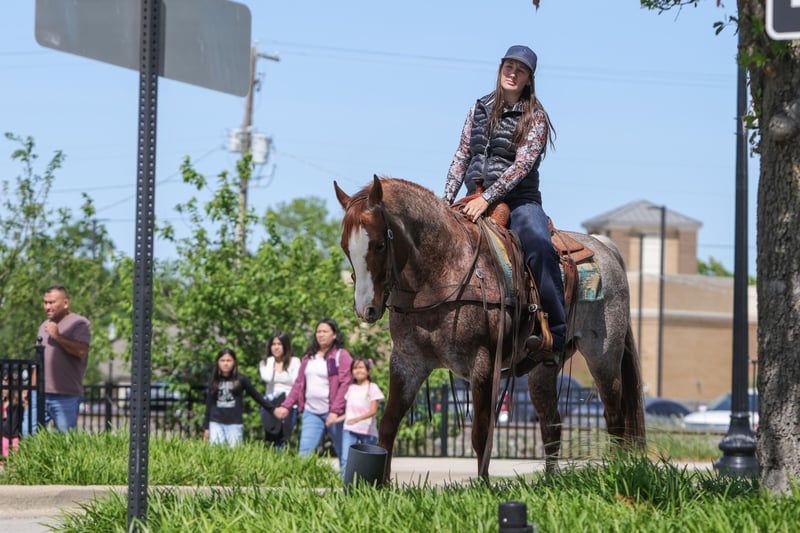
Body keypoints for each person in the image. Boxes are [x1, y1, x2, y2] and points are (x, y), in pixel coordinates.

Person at [443, 44, 566, 367]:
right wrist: (445, 202)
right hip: (473, 196)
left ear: (529, 79)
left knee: (539, 244)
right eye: (508, 66)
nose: (512, 73)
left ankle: (556, 334)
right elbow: (462, 155)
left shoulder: (536, 117)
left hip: (519, 200)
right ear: (500, 69)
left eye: (520, 70)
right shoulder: (478, 108)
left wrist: (488, 198)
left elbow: (521, 167)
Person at [274, 318, 352, 468]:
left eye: (325, 331)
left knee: (344, 454)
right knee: (305, 454)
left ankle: (348, 483)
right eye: (318, 331)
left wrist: (335, 411)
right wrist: (286, 406)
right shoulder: (309, 357)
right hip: (311, 412)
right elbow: (298, 384)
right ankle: (302, 482)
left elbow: (346, 384)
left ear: (334, 335)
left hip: (335, 414)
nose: (321, 334)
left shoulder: (341, 355)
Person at [37, 285, 91, 432]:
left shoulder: (79, 323)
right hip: (40, 394)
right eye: (45, 302)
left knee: (64, 438)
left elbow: (81, 351)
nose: (47, 307)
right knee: (28, 434)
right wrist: (28, 390)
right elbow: (39, 360)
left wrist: (57, 336)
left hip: (66, 395)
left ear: (65, 303)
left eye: (52, 302)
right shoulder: (44, 326)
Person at [203, 347, 277, 447]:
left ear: (234, 362)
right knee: (216, 451)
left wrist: (272, 409)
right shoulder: (213, 380)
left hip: (234, 423)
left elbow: (256, 396)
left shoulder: (241, 379)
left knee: (235, 451)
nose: (225, 363)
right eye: (222, 360)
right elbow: (209, 404)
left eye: (228, 360)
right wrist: (206, 427)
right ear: (218, 362)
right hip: (216, 422)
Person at [337, 357, 384, 478]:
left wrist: (357, 419)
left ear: (368, 370)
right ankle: (345, 482)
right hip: (349, 429)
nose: (358, 370)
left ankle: (368, 482)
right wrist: (336, 420)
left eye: (361, 367)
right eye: (355, 368)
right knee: (346, 457)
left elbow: (373, 411)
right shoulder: (351, 388)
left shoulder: (372, 387)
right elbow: (349, 413)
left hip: (367, 431)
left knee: (369, 459)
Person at [259, 332, 300, 448]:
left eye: (279, 344)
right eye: (273, 344)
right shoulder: (265, 363)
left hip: (288, 404)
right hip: (270, 404)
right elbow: (267, 378)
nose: (276, 347)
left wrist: (286, 405)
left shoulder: (294, 361)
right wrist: (271, 361)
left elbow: (296, 382)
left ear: (285, 346)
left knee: (284, 438)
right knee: (271, 438)